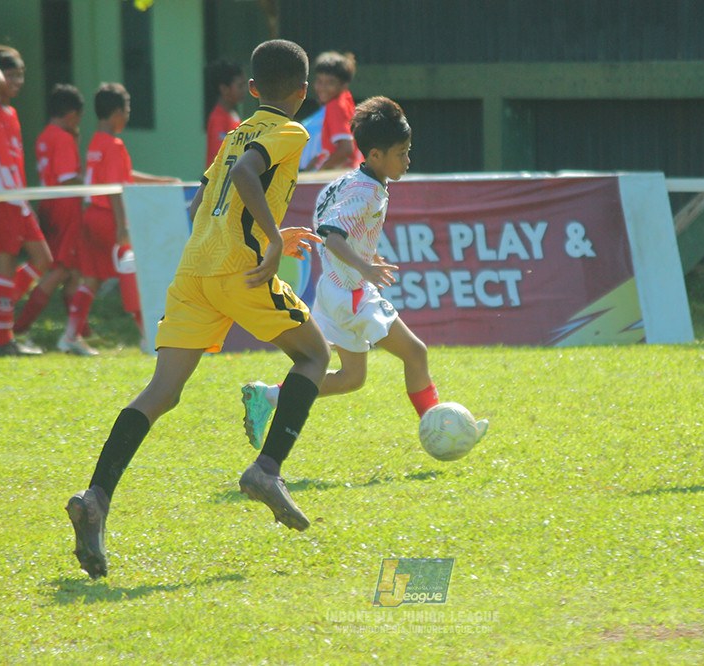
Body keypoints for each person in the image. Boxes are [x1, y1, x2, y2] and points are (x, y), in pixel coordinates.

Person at [66, 40, 328, 580]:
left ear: (251, 89)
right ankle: (267, 469)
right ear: (302, 92)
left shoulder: (234, 134)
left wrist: (264, 233)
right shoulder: (290, 130)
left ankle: (96, 497)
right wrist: (270, 242)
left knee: (162, 392)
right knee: (314, 357)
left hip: (194, 271)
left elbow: (201, 199)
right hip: (240, 271)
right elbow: (246, 177)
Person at [242, 97, 488, 449]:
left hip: (334, 288)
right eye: (401, 153)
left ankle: (266, 396)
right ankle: (439, 433)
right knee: (415, 353)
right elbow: (331, 234)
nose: (408, 160)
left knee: (351, 378)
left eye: (407, 151)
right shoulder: (366, 191)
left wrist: (365, 255)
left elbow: (334, 224)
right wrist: (364, 266)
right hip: (352, 291)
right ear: (375, 155)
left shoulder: (350, 182)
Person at [58, 82, 178, 356]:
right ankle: (149, 338)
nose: (127, 117)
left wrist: (160, 180)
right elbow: (115, 188)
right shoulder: (114, 144)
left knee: (93, 278)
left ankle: (70, 336)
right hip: (110, 218)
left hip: (91, 214)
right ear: (116, 114)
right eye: (127, 111)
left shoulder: (96, 143)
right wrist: (123, 226)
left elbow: (123, 175)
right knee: (132, 274)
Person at [0, 44, 50, 355]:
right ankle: (4, 340)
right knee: (7, 263)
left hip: (16, 198)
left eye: (21, 75)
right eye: (11, 75)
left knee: (43, 259)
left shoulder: (11, 113)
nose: (17, 81)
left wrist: (25, 200)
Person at [13, 84, 85, 341]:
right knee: (60, 270)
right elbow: (67, 177)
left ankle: (80, 332)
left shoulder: (45, 135)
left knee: (73, 273)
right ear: (72, 115)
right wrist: (92, 184)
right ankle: (20, 327)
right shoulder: (63, 138)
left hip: (49, 204)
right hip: (66, 208)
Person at [304, 51, 362, 171]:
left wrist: (320, 173)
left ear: (343, 85)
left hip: (341, 174)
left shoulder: (334, 106)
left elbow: (346, 148)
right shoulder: (346, 101)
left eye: (330, 82)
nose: (322, 87)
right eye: (319, 81)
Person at [204, 58, 247, 167]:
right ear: (224, 89)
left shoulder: (233, 115)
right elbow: (218, 158)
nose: (244, 90)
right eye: (240, 86)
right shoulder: (218, 118)